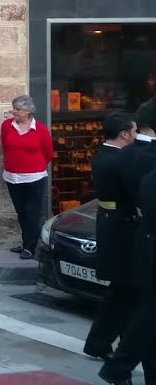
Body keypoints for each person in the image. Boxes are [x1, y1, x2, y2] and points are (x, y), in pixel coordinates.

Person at [86, 112, 140, 358]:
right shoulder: (121, 160)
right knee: (123, 291)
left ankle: (107, 343)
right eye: (135, 131)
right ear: (124, 134)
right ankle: (104, 343)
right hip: (122, 228)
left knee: (124, 291)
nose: (137, 136)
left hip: (113, 223)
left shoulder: (105, 155)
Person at [0, 95, 55, 259]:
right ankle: (26, 243)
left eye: (18, 109)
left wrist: (32, 165)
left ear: (28, 111)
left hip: (34, 178)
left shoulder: (40, 129)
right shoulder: (6, 126)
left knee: (32, 212)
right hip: (12, 177)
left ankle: (31, 247)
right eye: (14, 108)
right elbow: (5, 146)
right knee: (21, 212)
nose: (14, 112)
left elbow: (49, 153)